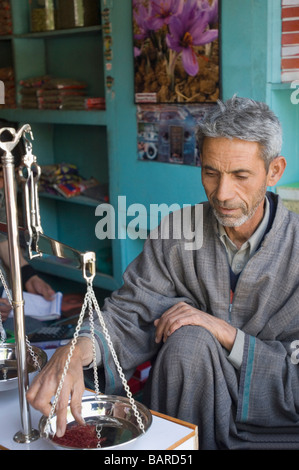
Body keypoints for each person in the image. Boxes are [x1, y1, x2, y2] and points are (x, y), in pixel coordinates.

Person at [27, 96, 299, 449]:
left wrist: (224, 333)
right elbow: (129, 315)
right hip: (190, 402)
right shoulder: (177, 231)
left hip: (274, 425)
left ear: (274, 171)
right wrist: (76, 349)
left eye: (240, 176)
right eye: (211, 173)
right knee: (188, 343)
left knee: (196, 334)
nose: (222, 193)